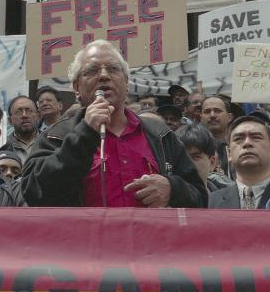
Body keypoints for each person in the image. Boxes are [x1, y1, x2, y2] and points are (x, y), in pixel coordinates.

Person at [21, 40, 206, 208]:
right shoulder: (56, 136)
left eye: (113, 69)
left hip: (150, 244)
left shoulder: (161, 135)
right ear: (76, 87)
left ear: (126, 82)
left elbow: (200, 197)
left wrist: (172, 190)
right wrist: (84, 134)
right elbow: (33, 193)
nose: (103, 76)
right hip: (86, 244)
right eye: (92, 70)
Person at [209, 116, 270, 209]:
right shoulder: (211, 201)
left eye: (256, 137)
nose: (247, 143)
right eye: (239, 139)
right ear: (229, 153)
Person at [176, 123, 223, 193]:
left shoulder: (229, 200)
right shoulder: (162, 200)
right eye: (182, 157)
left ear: (212, 162)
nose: (188, 163)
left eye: (195, 157)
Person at [0, 95, 39, 164]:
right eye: (18, 112)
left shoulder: (50, 144)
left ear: (38, 116)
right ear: (10, 120)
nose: (24, 115)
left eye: (29, 111)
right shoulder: (0, 147)